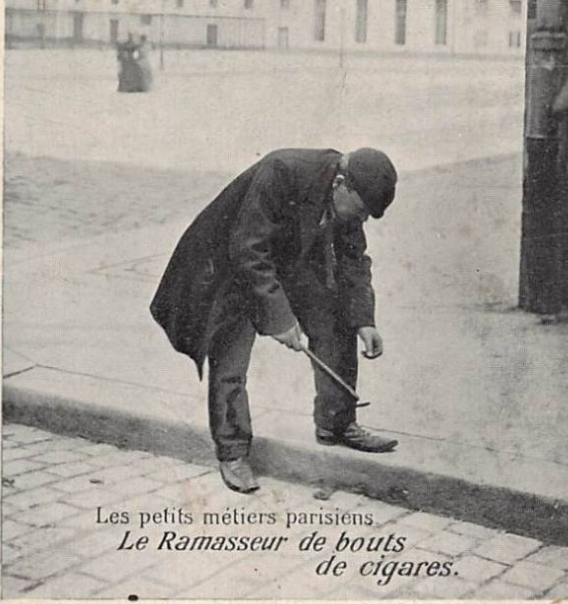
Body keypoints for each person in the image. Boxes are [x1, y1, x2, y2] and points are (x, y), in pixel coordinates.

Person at [150, 147, 399, 493]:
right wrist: (280, 319)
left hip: (285, 260)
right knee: (230, 359)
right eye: (359, 210)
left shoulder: (349, 199)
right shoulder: (282, 171)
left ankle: (336, 423)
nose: (361, 220)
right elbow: (248, 250)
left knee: (335, 320)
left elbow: (354, 260)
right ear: (341, 184)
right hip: (231, 264)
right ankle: (233, 451)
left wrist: (364, 320)